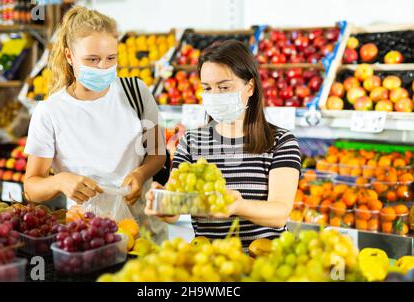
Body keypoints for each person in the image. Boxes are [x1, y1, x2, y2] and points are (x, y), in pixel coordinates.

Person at [23, 6, 168, 243]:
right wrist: (60, 181)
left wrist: (141, 174)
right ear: (70, 57)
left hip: (143, 232)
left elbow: (157, 152)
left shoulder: (136, 92)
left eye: (111, 58)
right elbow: (31, 187)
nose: (103, 67)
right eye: (92, 59)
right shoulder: (49, 112)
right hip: (88, 234)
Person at [145, 40, 301, 250]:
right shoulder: (191, 143)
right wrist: (163, 203)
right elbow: (177, 205)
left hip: (263, 263)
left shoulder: (281, 141)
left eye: (224, 87)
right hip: (208, 263)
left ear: (250, 87)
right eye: (207, 88)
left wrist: (237, 206)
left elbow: (279, 213)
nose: (214, 95)